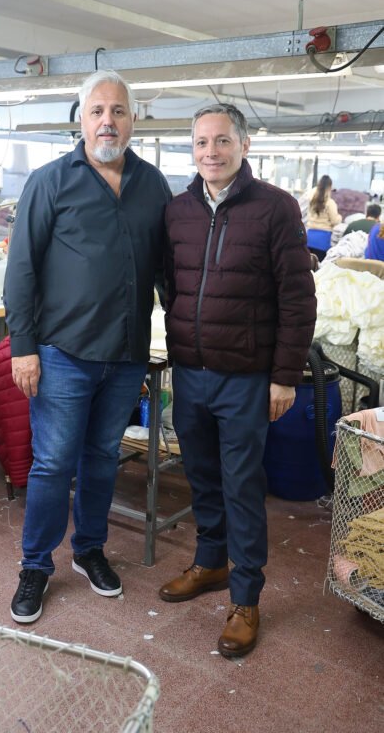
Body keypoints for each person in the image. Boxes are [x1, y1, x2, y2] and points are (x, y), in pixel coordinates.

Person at [3, 69, 172, 624]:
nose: (108, 121)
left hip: (125, 356)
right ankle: (35, 565)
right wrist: (24, 347)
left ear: (132, 119)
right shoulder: (51, 181)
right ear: (81, 119)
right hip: (62, 354)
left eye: (118, 111)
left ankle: (90, 549)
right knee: (52, 464)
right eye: (98, 111)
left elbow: (167, 270)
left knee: (102, 458)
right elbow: (22, 269)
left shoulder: (152, 185)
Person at [160, 103, 316, 658]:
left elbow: (298, 300)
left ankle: (246, 598)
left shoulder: (276, 208)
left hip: (247, 379)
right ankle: (210, 562)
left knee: (242, 487)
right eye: (201, 143)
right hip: (192, 373)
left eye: (222, 141)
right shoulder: (177, 210)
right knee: (200, 476)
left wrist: (284, 377)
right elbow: (170, 285)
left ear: (244, 145)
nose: (211, 153)